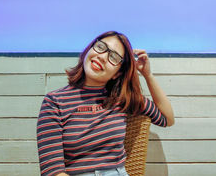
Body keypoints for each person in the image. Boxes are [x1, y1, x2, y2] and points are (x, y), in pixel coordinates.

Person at [37, 30, 174, 176]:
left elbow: (167, 119)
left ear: (117, 73)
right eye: (101, 47)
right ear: (90, 49)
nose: (102, 57)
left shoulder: (121, 98)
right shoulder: (54, 102)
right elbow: (52, 171)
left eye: (113, 57)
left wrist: (148, 75)